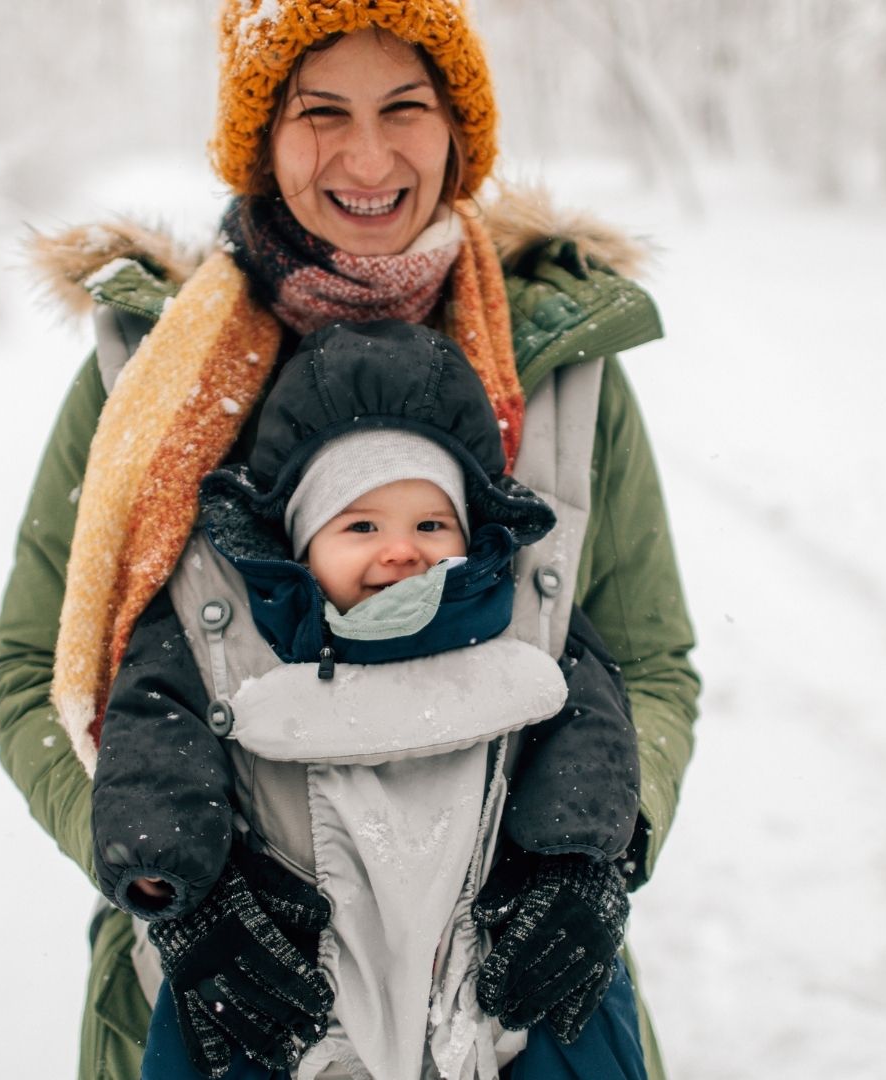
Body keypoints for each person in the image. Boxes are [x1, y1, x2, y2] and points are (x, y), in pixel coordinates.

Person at [0, 2, 700, 1077]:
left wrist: (601, 853)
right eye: (322, 113)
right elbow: (35, 675)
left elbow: (647, 665)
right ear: (263, 139)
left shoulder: (567, 372)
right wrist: (178, 889)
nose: (369, 156)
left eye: (404, 108)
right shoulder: (144, 383)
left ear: (457, 128)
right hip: (229, 1023)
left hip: (509, 1024)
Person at [90, 318, 643, 1078]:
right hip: (291, 976)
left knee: (579, 1007)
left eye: (430, 523)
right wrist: (167, 872)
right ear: (298, 542)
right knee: (213, 1029)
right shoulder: (230, 632)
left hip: (485, 971)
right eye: (360, 524)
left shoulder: (515, 618)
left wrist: (579, 858)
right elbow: (155, 731)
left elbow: (593, 727)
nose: (401, 549)